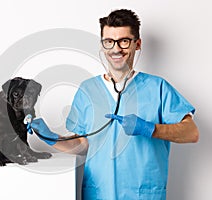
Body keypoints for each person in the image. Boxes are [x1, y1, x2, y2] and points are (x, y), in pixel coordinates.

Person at [31, 9, 199, 200]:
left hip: (143, 194)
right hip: (99, 194)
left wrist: (149, 129)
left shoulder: (158, 87)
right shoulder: (88, 90)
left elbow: (191, 133)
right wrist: (52, 138)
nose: (116, 49)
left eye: (124, 41)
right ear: (103, 45)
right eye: (109, 41)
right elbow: (82, 144)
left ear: (137, 44)